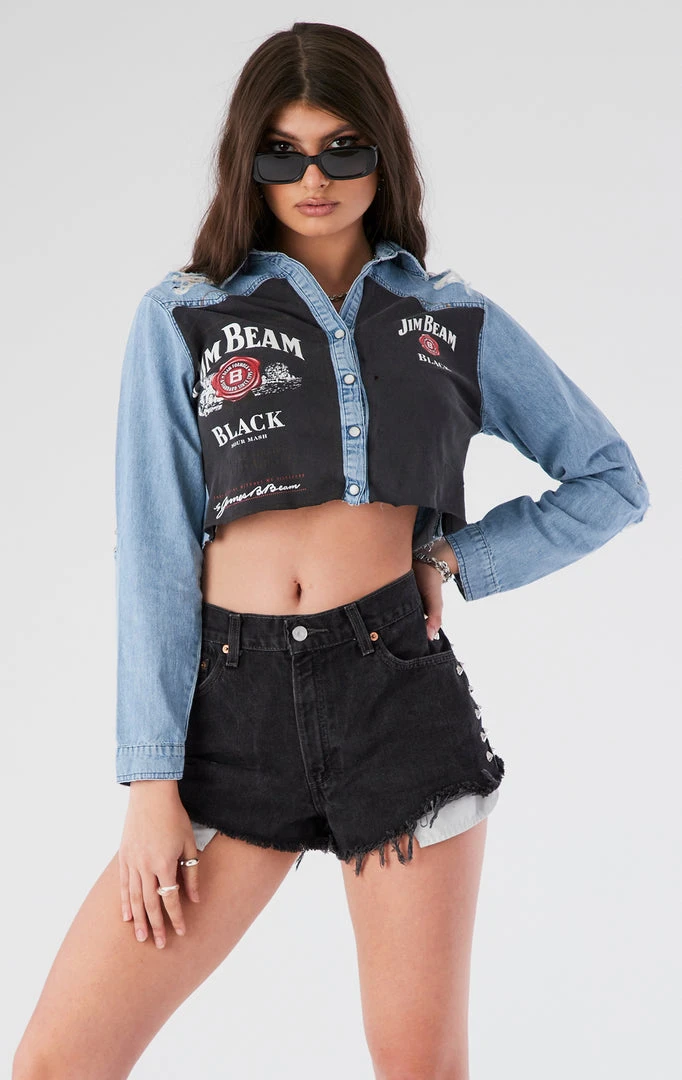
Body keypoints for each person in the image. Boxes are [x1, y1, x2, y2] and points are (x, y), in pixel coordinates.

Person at [12, 20, 649, 1080]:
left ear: (383, 153)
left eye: (342, 148)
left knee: (419, 1068)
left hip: (397, 699)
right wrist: (151, 783)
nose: (314, 178)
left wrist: (453, 562)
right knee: (58, 1063)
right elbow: (156, 551)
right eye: (284, 153)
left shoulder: (450, 318)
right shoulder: (185, 315)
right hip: (233, 714)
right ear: (248, 162)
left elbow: (610, 480)